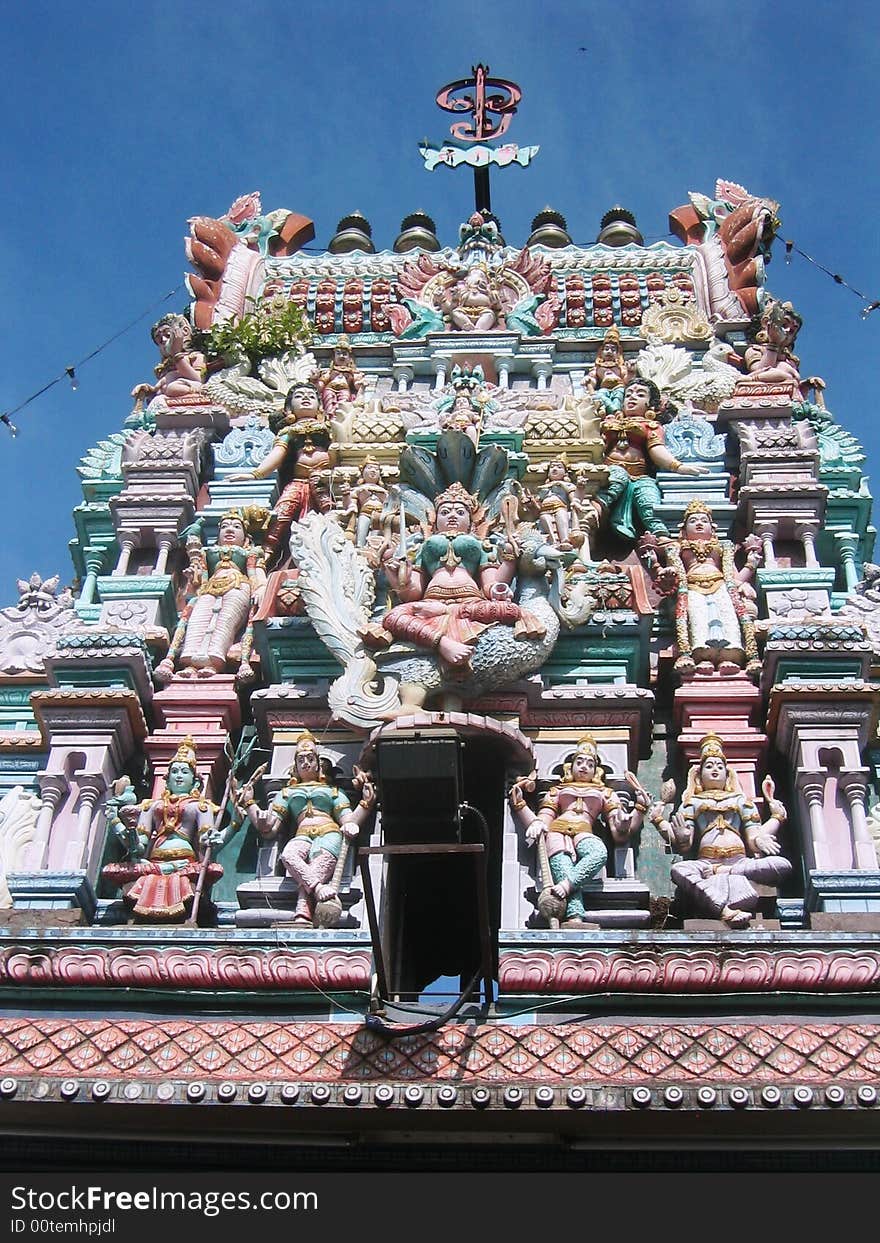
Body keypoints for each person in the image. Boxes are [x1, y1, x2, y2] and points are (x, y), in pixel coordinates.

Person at [360, 482, 546, 673]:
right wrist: (402, 580)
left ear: (471, 522)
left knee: (512, 611)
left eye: (459, 512)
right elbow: (412, 594)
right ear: (435, 520)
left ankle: (445, 621)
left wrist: (508, 560)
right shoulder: (424, 547)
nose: (452, 516)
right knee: (392, 617)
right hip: (431, 602)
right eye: (445, 512)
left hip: (469, 603)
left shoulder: (480, 545)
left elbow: (491, 584)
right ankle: (443, 643)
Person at [650, 733, 791, 928]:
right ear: (699, 775)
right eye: (709, 766)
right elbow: (684, 844)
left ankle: (728, 876)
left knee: (782, 864)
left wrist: (770, 827)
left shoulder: (741, 801)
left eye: (719, 766)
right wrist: (667, 826)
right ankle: (724, 910)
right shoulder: (692, 802)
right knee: (679, 870)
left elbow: (754, 836)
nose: (715, 770)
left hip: (740, 863)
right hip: (707, 864)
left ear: (727, 772)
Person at [235, 731, 375, 927]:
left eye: (310, 759)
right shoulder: (287, 793)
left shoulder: (333, 791)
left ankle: (302, 914)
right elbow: (269, 828)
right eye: (301, 760)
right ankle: (318, 890)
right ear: (295, 765)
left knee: (320, 864)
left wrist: (365, 804)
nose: (306, 763)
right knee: (288, 856)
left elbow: (348, 820)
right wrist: (251, 804)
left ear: (319, 764)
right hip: (302, 835)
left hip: (329, 833)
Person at [508, 736, 651, 928]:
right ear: (570, 766)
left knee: (598, 853)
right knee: (563, 867)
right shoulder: (557, 790)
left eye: (590, 764)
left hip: (584, 832)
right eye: (579, 762)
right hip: (556, 833)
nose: (584, 767)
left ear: (596, 770)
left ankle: (565, 886)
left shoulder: (605, 793)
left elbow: (619, 833)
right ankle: (575, 918)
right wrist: (532, 819)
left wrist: (636, 812)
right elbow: (545, 817)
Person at [102, 737, 224, 923]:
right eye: (174, 771)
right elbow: (138, 848)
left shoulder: (201, 807)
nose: (179, 776)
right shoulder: (150, 807)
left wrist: (223, 833)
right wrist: (117, 822)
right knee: (142, 884)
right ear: (166, 780)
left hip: (185, 864)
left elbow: (205, 844)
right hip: (154, 863)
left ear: (196, 782)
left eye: (184, 771)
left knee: (183, 887)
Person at [642, 499, 762, 676]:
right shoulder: (676, 549)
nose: (699, 524)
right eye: (693, 521)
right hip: (692, 587)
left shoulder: (723, 547)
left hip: (720, 585)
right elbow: (672, 573)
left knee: (726, 618)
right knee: (698, 619)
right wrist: (662, 568)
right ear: (683, 529)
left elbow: (733, 578)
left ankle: (729, 657)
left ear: (713, 529)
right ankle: (702, 656)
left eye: (704, 521)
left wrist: (750, 567)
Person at [155, 508, 268, 685]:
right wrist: (193, 578)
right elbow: (199, 581)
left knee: (225, 621)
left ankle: (214, 662)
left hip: (238, 585)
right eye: (224, 526)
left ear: (246, 537)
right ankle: (190, 662)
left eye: (236, 527)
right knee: (197, 621)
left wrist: (261, 589)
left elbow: (256, 574)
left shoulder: (251, 553)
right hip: (208, 589)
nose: (229, 530)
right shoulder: (206, 554)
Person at [229, 381, 336, 562]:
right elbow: (278, 453)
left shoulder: (329, 428)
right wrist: (256, 474)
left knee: (332, 514)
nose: (305, 399)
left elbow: (338, 449)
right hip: (299, 481)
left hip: (326, 479)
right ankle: (265, 556)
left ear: (320, 406)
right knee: (281, 513)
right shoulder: (289, 431)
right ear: (288, 407)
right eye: (299, 396)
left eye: (311, 396)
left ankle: (336, 548)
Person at [591, 378, 707, 543]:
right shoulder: (610, 423)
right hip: (611, 470)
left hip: (640, 476)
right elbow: (597, 447)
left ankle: (662, 537)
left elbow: (656, 449)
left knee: (649, 498)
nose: (632, 398)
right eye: (628, 394)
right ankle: (591, 516)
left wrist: (678, 466)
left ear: (650, 404)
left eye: (640, 395)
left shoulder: (651, 425)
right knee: (617, 477)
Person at [131, 313, 207, 403]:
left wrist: (177, 355)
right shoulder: (165, 366)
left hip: (186, 390)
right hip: (165, 399)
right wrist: (149, 389)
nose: (163, 340)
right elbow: (161, 386)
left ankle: (199, 392)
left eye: (167, 335)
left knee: (172, 388)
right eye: (159, 340)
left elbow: (197, 379)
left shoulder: (195, 357)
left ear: (185, 332)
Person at [317, 334, 366, 414]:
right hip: (329, 389)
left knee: (343, 403)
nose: (341, 356)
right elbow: (321, 384)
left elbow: (357, 385)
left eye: (344, 354)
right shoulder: (330, 371)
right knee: (328, 400)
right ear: (334, 357)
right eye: (338, 353)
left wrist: (361, 384)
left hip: (345, 389)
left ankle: (340, 417)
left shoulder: (352, 372)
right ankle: (329, 416)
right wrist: (315, 379)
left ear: (350, 358)